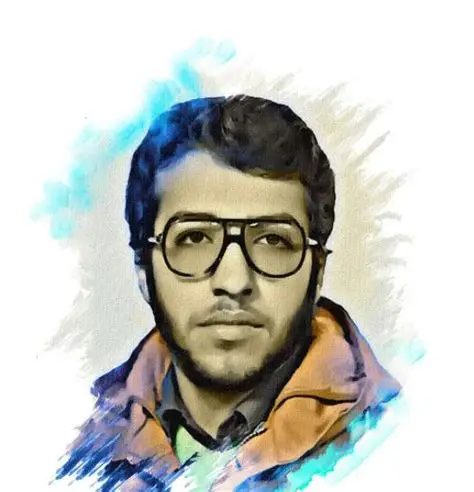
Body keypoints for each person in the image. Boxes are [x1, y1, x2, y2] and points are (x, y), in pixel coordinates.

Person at [58, 95, 401, 491]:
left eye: (273, 240)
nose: (235, 282)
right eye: (194, 237)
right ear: (143, 270)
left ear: (317, 270)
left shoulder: (394, 438)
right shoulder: (80, 443)